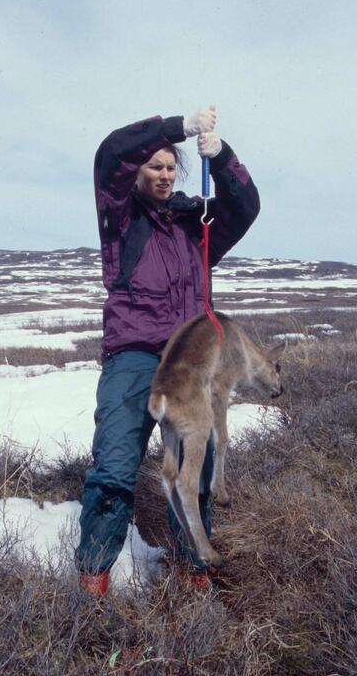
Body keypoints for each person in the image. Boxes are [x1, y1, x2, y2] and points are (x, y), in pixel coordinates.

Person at [75, 105, 260, 595]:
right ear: (138, 172)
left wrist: (221, 158)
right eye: (153, 165)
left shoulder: (194, 223)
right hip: (132, 358)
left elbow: (245, 207)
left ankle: (190, 570)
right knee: (114, 469)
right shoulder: (119, 216)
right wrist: (176, 127)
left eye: (169, 165)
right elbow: (110, 152)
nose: (162, 173)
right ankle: (94, 577)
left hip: (188, 363)